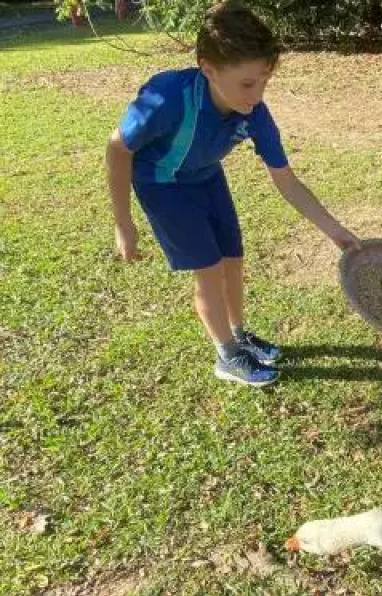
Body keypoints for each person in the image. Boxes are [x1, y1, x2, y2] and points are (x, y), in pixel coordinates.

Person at [106, 1, 359, 387]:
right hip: (163, 185)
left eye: (263, 82)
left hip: (206, 177)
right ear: (208, 68)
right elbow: (118, 148)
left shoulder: (254, 112)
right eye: (247, 83)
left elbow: (286, 180)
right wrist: (123, 224)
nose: (257, 95)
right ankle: (226, 356)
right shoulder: (169, 97)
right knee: (208, 270)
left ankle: (239, 335)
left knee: (232, 260)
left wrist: (336, 231)